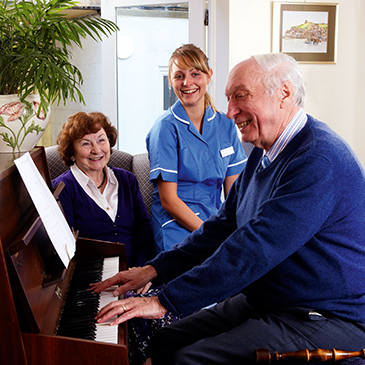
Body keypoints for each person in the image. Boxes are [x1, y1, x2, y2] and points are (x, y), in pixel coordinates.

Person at [92, 53, 365, 365]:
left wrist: (164, 301)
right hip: (271, 300)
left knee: (189, 360)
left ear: (284, 94)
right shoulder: (264, 153)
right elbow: (223, 226)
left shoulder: (318, 160)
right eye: (228, 98)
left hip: (321, 314)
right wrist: (155, 270)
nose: (231, 110)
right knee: (166, 340)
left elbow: (255, 247)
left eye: (241, 96)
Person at [146, 44, 247, 253]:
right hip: (176, 225)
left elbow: (234, 193)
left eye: (195, 73)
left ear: (208, 76)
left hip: (214, 219)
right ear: (170, 81)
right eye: (179, 76)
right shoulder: (165, 128)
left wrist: (238, 231)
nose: (187, 83)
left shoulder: (226, 124)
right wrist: (211, 236)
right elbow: (169, 200)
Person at [53, 111, 156, 268]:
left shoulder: (127, 180)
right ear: (71, 150)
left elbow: (143, 230)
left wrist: (141, 269)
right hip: (93, 280)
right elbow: (67, 251)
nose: (96, 150)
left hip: (135, 273)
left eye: (101, 140)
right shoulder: (62, 189)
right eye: (86, 143)